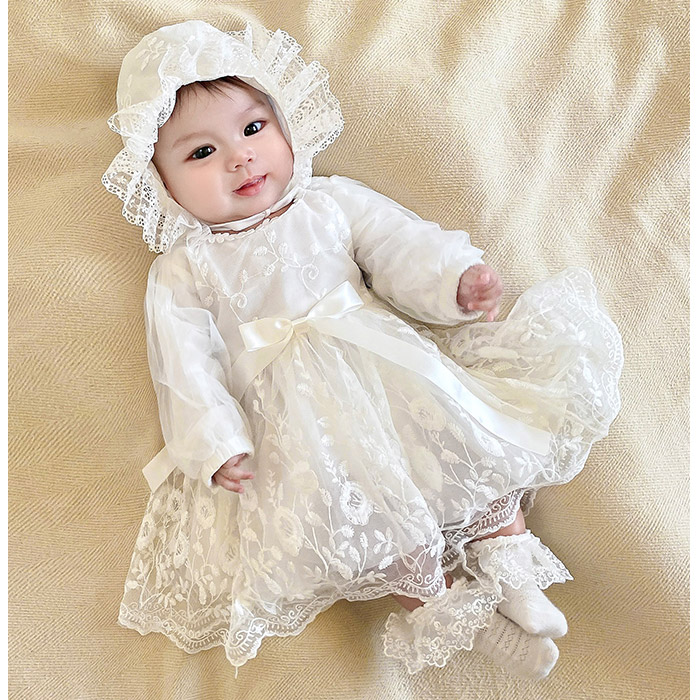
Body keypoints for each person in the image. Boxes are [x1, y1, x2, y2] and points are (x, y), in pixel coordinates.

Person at [103, 20, 623, 679]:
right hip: (303, 428)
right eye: (202, 152)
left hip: (391, 373)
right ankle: (459, 616)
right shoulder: (184, 270)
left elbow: (401, 247)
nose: (239, 157)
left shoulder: (330, 203)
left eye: (253, 128)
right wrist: (214, 444)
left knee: (468, 452)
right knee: (373, 531)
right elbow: (183, 368)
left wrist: (456, 280)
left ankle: (517, 577)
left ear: (287, 123)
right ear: (159, 182)